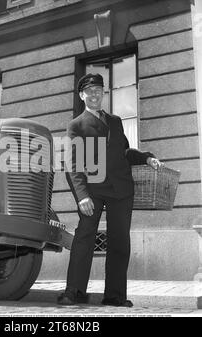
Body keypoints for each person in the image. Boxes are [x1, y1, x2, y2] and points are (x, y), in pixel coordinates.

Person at [57, 73, 163, 307]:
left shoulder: (115, 121)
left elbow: (124, 152)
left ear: (103, 93)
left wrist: (146, 158)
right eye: (90, 91)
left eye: (99, 90)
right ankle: (74, 291)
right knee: (84, 237)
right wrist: (82, 195)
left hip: (121, 189)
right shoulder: (76, 125)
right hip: (93, 189)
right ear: (81, 95)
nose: (95, 94)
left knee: (119, 241)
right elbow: (73, 164)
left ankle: (114, 296)